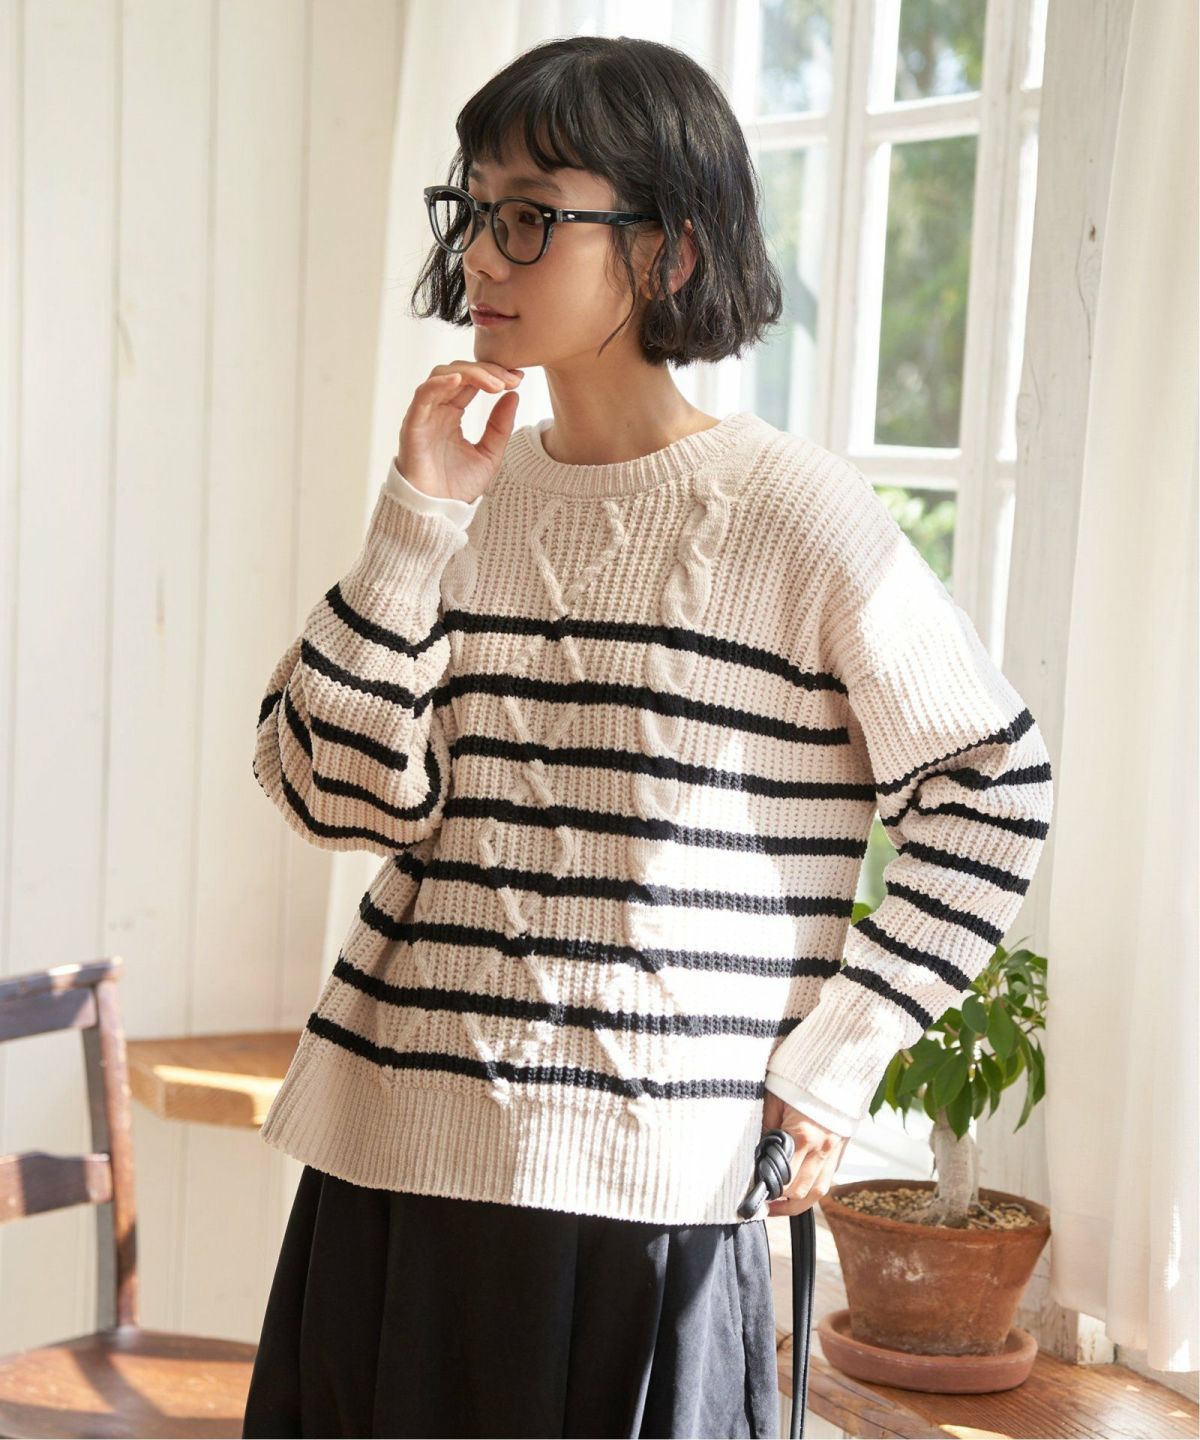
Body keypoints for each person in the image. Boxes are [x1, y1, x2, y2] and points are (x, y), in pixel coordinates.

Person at [241, 33, 1053, 1440]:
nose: (480, 255)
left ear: (668, 250)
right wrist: (414, 523)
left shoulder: (797, 516)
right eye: (475, 208)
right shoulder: (463, 496)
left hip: (652, 1193)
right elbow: (329, 793)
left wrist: (832, 1066)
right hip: (395, 1168)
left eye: (530, 215)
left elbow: (994, 784)